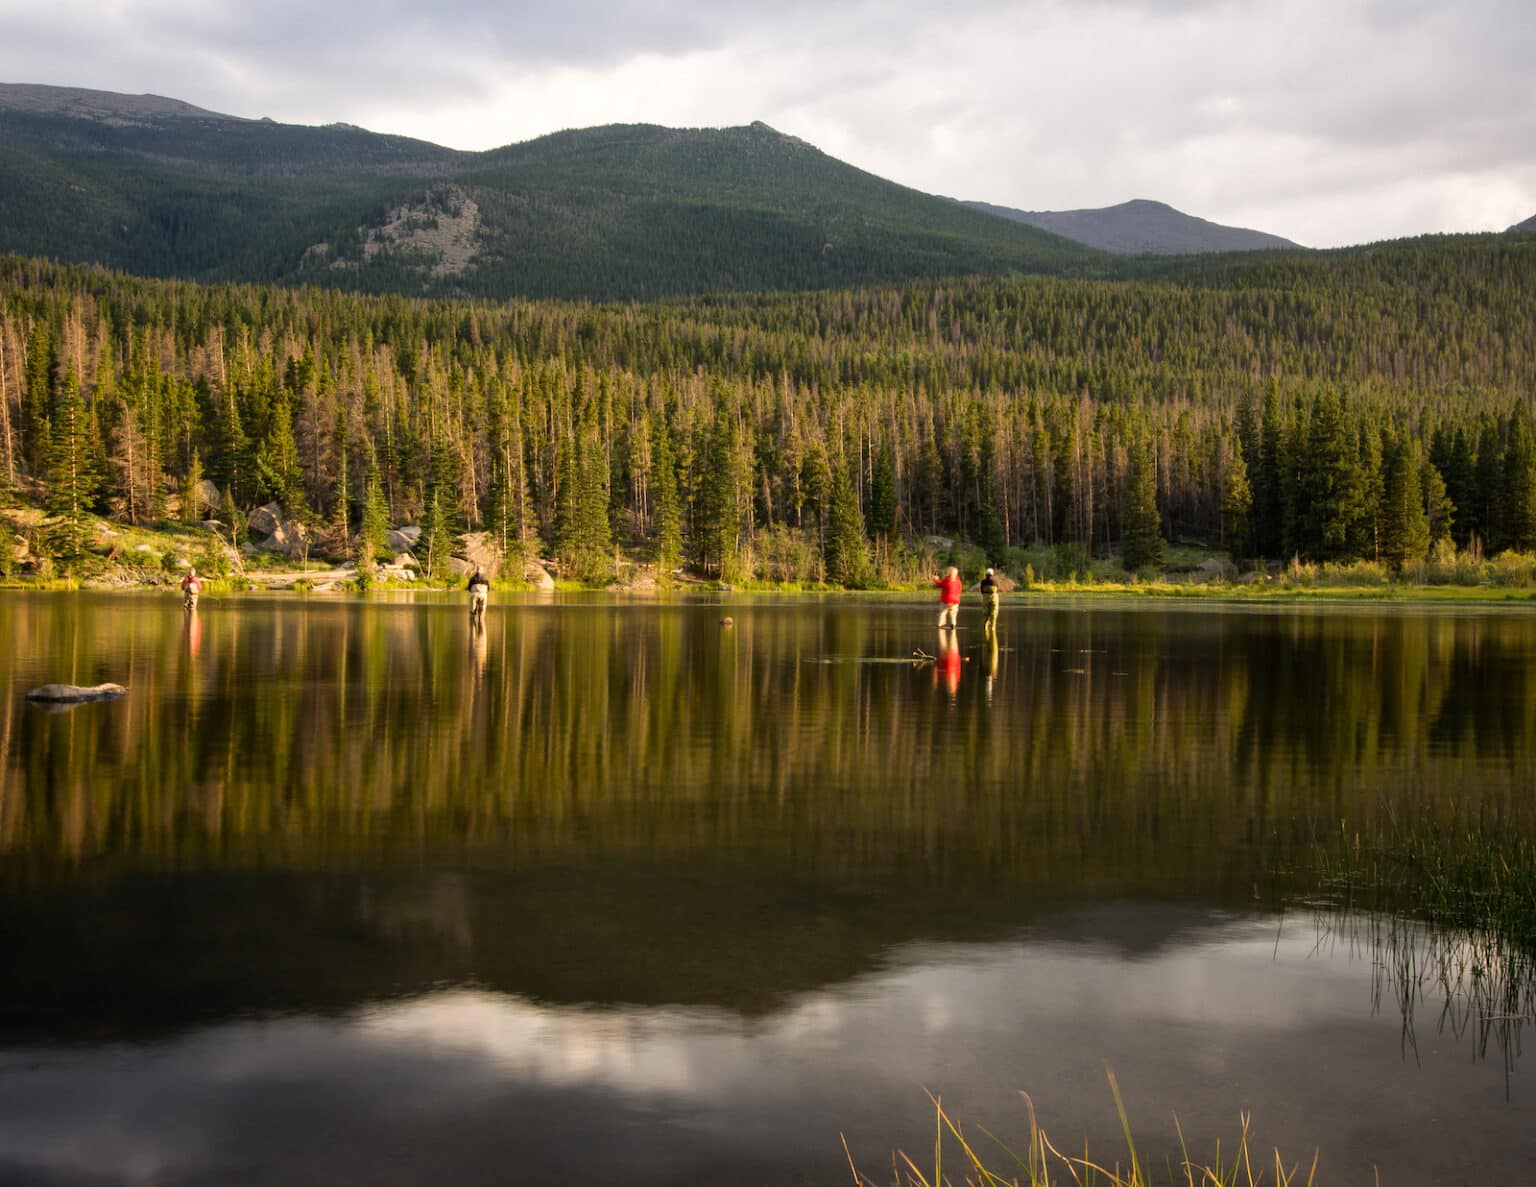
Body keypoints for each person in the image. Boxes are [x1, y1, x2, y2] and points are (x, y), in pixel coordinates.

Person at [932, 565, 962, 630]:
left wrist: (935, 579)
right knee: (953, 615)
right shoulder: (958, 581)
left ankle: (940, 626)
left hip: (946, 600)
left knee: (943, 612)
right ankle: (953, 626)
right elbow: (959, 590)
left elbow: (939, 585)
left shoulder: (947, 580)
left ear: (949, 572)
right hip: (956, 601)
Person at [979, 567, 1000, 637]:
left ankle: (985, 627)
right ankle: (993, 627)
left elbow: (981, 591)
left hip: (985, 598)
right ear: (992, 574)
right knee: (994, 612)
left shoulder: (983, 582)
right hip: (994, 598)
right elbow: (998, 588)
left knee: (986, 613)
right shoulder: (995, 581)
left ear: (986, 574)